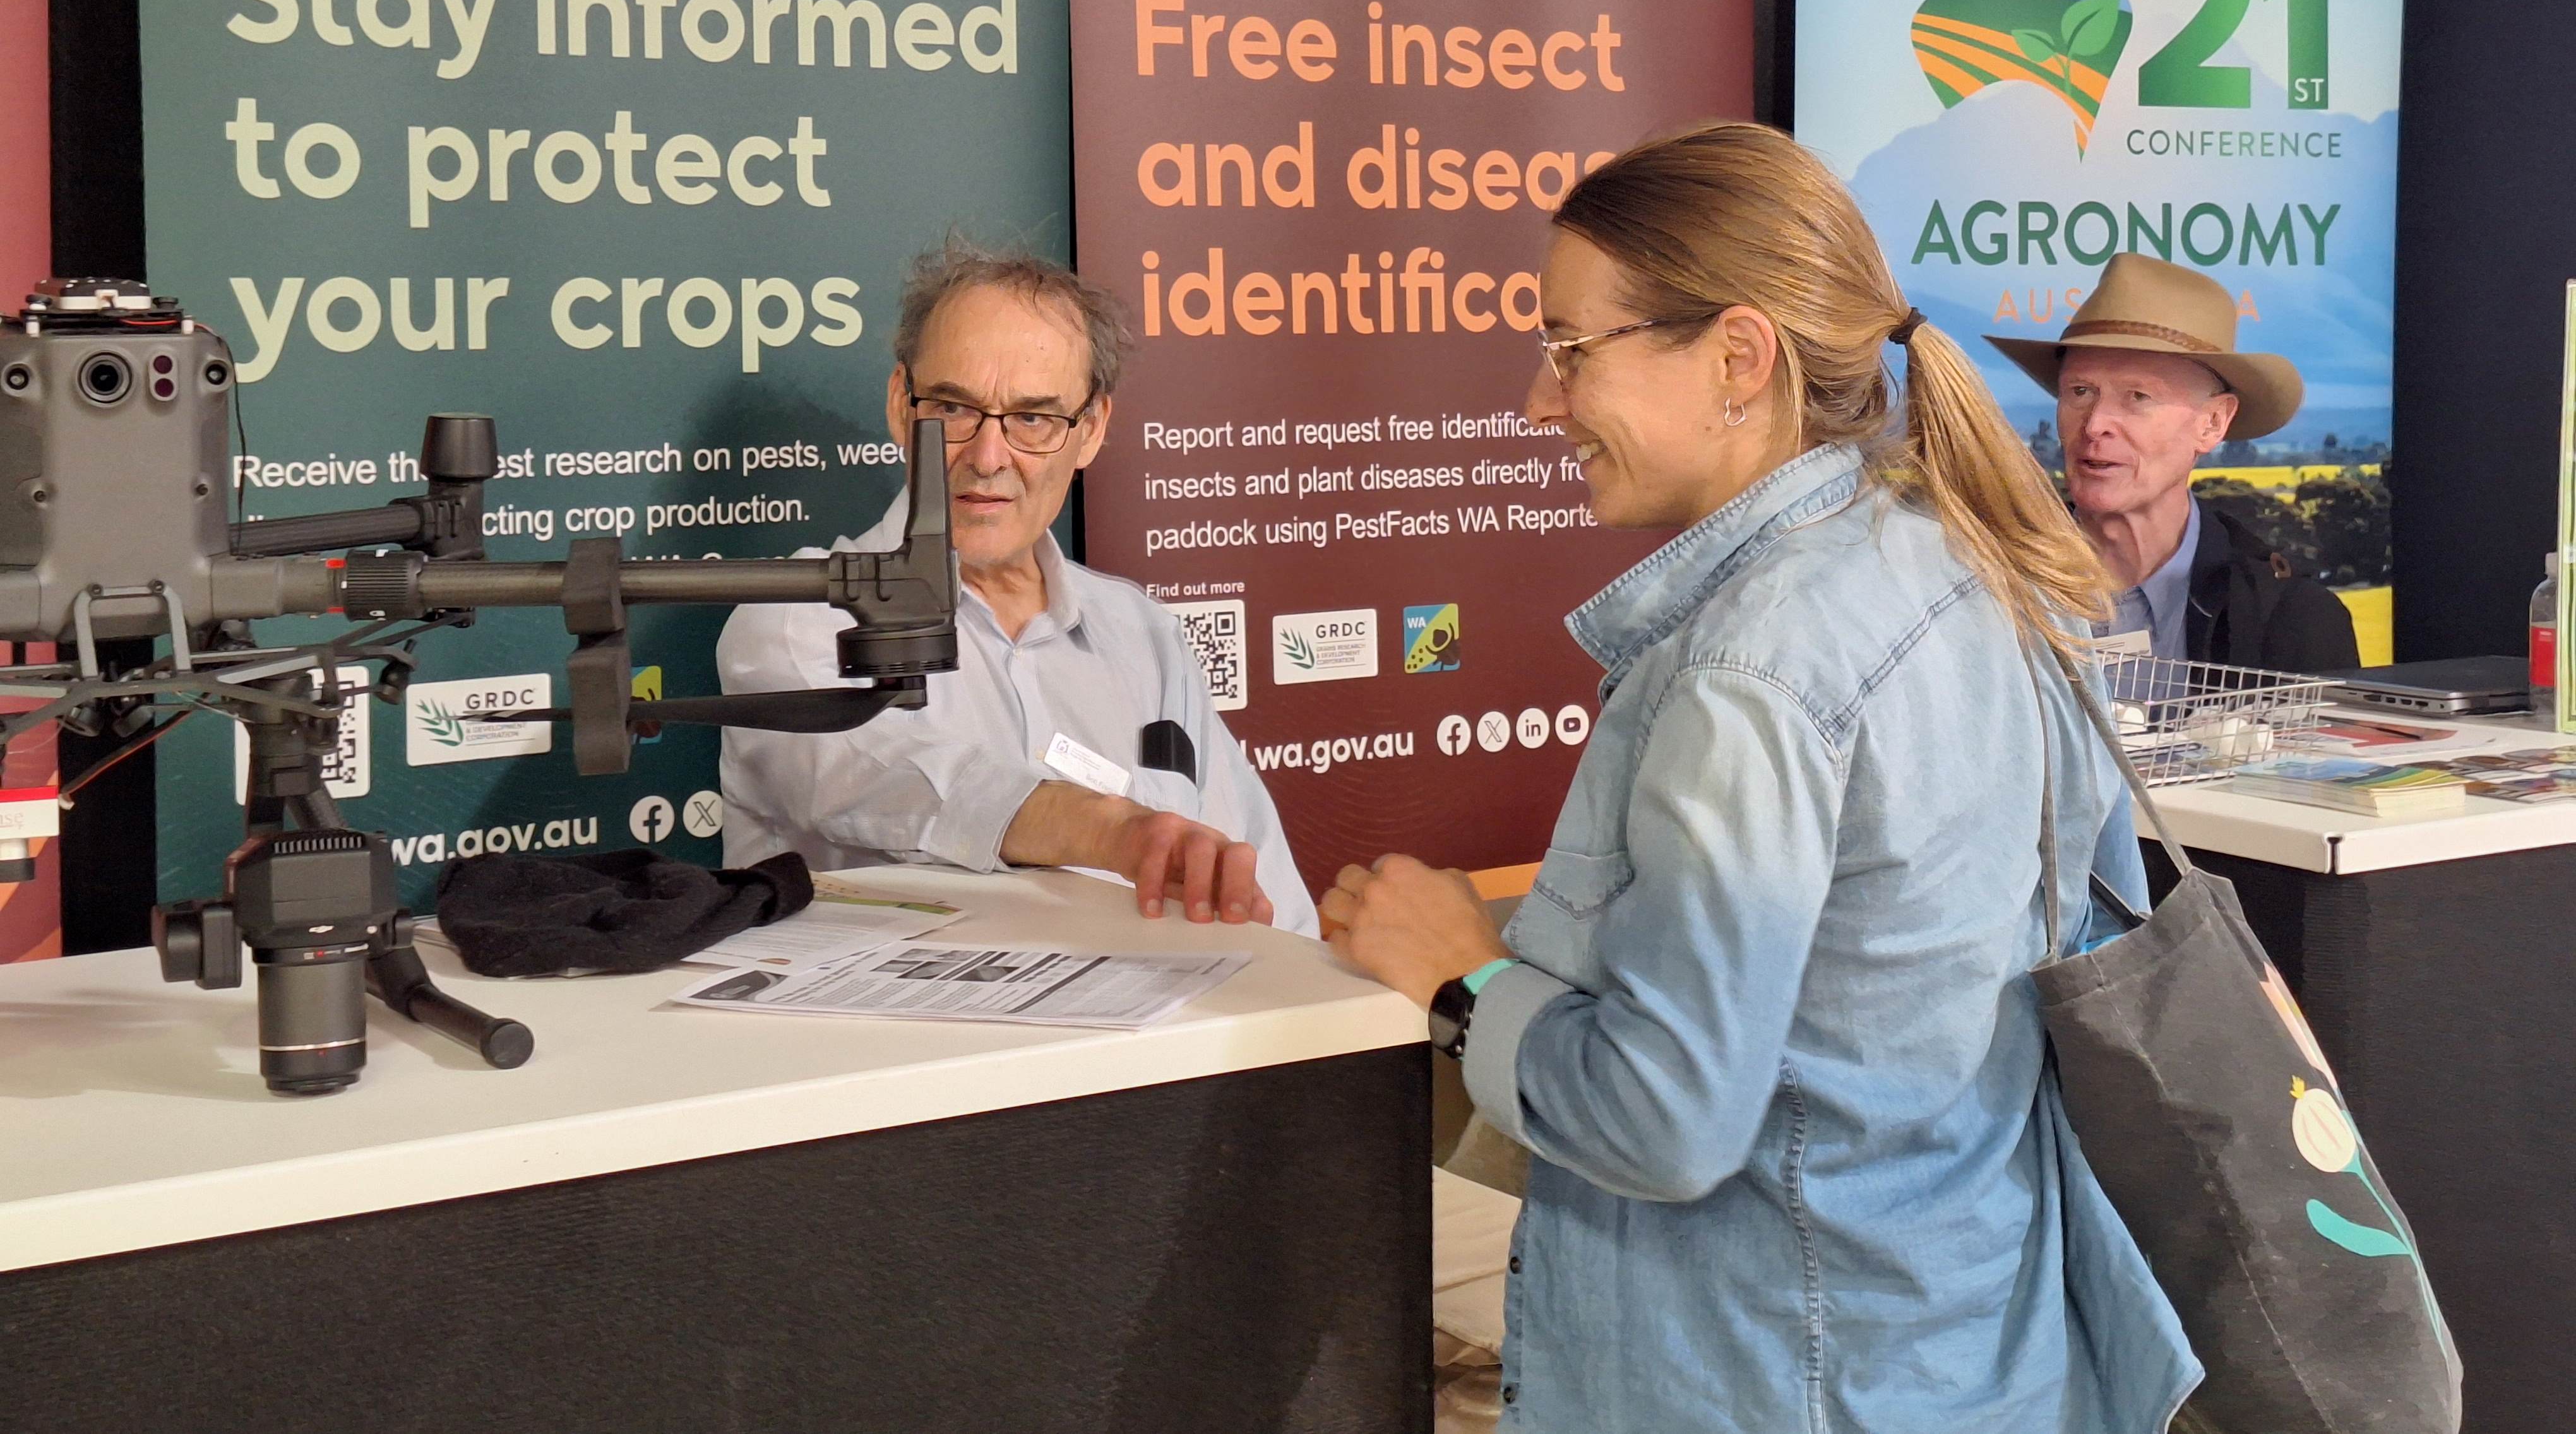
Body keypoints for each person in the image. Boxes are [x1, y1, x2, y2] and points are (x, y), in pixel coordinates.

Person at [1323, 123, 2199, 1431]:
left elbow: (1665, 1115)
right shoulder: (1968, 567)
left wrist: (1463, 971)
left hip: (1778, 1372)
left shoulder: (1753, 670)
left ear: (1739, 359)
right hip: (1966, 1356)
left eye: (1571, 349)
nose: (1538, 403)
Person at [716, 237, 1315, 935]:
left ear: (1090, 431)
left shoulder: (1143, 633)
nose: (989, 456)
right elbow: (889, 779)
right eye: (954, 408)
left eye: (1033, 418)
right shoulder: (798, 617)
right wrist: (1109, 830)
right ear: (901, 407)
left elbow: (1263, 887)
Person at [1989, 252, 2360, 673]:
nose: (2095, 425)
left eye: (2138, 397)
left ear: (2213, 423)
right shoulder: (1991, 590)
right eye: (2079, 391)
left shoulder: (2290, 619)